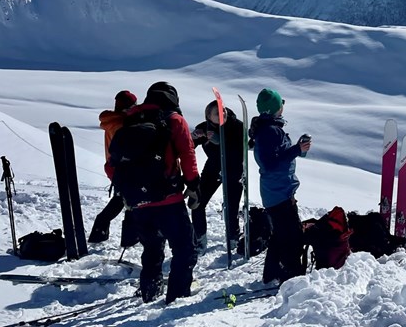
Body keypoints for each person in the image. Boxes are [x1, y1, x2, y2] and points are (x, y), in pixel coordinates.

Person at [111, 81, 200, 304]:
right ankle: (176, 300)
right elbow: (188, 155)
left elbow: (113, 163)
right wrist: (194, 186)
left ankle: (150, 293)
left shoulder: (131, 120)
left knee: (152, 249)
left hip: (139, 203)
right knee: (185, 249)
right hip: (168, 199)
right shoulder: (173, 120)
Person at [250, 88, 311, 284]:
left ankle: (272, 273)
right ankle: (292, 276)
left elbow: (278, 157)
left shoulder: (270, 129)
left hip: (277, 191)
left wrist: (298, 150)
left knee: (280, 234)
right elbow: (270, 163)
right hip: (278, 193)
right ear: (275, 108)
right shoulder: (270, 131)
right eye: (280, 103)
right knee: (293, 236)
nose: (283, 106)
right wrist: (296, 149)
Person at [191, 101, 245, 253]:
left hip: (234, 170)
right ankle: (200, 239)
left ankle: (233, 238)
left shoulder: (237, 126)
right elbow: (189, 146)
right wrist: (194, 137)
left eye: (224, 111)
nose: (223, 114)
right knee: (197, 203)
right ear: (208, 116)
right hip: (213, 169)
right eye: (217, 113)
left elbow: (240, 151)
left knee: (231, 208)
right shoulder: (204, 127)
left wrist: (219, 142)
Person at [89, 90, 137, 245]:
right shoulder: (123, 124)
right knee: (130, 200)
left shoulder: (112, 120)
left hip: (113, 167)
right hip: (124, 167)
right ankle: (129, 239)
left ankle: (99, 231)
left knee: (120, 199)